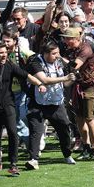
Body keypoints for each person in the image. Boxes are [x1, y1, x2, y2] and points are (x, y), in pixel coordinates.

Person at [25, 42, 78, 170]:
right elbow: (44, 80)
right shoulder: (35, 62)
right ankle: (33, 159)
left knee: (64, 128)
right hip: (38, 103)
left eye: (58, 53)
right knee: (36, 131)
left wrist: (72, 78)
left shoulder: (59, 62)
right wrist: (65, 77)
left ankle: (67, 155)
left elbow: (64, 85)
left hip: (56, 103)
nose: (57, 56)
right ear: (46, 53)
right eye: (54, 53)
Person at [0, 42, 46, 176]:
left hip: (8, 104)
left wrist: (40, 84)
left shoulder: (10, 65)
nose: (4, 55)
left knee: (13, 132)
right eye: (0, 52)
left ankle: (13, 164)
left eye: (5, 52)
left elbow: (26, 75)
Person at [63, 27, 94, 159]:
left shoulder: (86, 49)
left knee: (89, 118)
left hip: (89, 86)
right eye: (65, 38)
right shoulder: (71, 50)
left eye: (69, 39)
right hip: (77, 86)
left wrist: (59, 58)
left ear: (77, 39)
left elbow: (74, 65)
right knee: (79, 118)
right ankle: (86, 146)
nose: (66, 41)